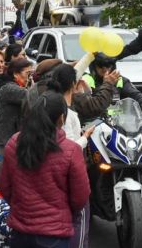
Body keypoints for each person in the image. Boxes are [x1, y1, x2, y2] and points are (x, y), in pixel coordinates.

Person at [0, 89, 90, 248]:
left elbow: (5, 188)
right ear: (61, 119)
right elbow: (80, 197)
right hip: (54, 234)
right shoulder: (71, 150)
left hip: (20, 231)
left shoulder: (14, 142)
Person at [49, 65, 92, 248]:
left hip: (49, 177)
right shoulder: (69, 114)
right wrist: (85, 138)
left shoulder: (45, 105)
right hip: (69, 176)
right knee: (78, 220)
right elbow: (70, 148)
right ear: (73, 84)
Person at [0, 58, 33, 162]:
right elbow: (32, 97)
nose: (29, 77)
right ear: (15, 74)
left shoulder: (15, 87)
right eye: (27, 73)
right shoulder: (9, 88)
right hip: (5, 140)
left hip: (11, 139)